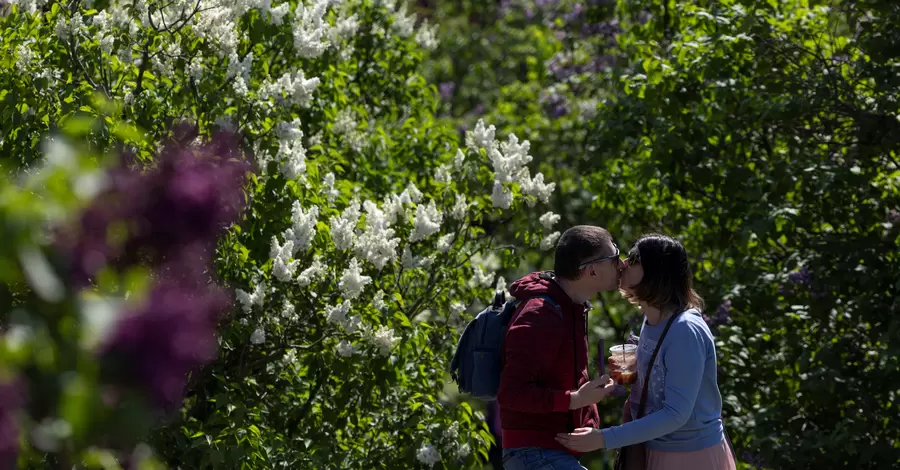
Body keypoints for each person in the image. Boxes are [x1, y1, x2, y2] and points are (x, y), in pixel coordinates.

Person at [555, 234, 737, 470]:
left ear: (656, 271)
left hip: (692, 456)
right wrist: (636, 375)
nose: (622, 263)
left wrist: (603, 438)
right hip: (655, 451)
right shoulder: (651, 320)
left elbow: (675, 414)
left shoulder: (685, 329)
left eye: (634, 258)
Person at [498, 225, 622, 470]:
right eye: (614, 256)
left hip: (550, 453)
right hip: (533, 454)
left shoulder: (572, 307)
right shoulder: (541, 314)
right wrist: (575, 400)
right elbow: (511, 393)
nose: (622, 263)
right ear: (592, 270)